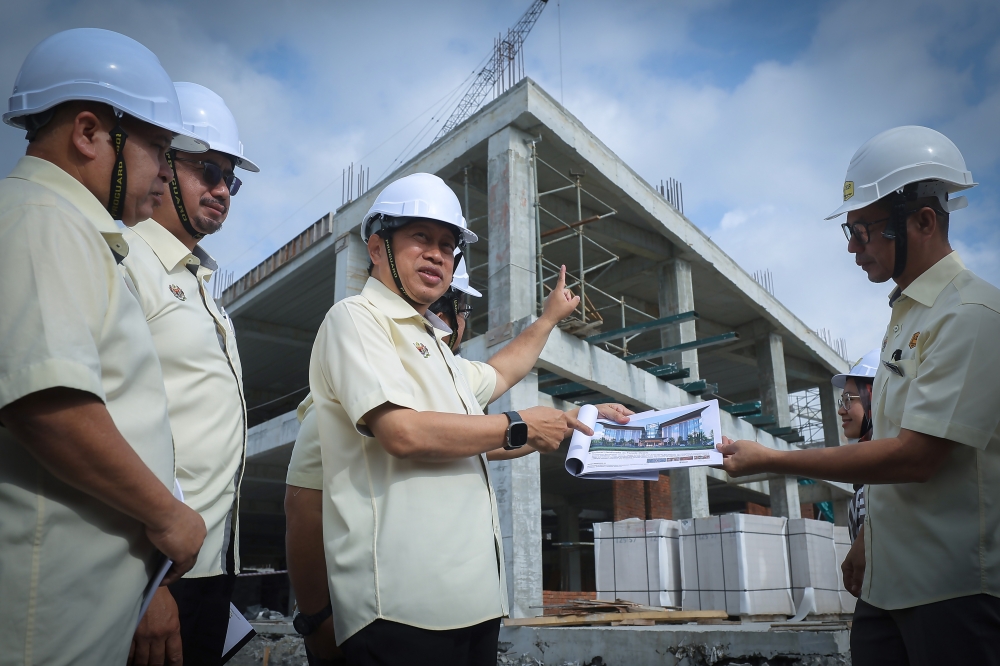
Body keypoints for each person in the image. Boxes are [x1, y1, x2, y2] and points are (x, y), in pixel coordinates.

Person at [308, 172, 627, 665]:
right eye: (421, 237)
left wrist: (564, 405)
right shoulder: (356, 319)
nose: (437, 255)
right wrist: (520, 424)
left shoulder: (437, 350)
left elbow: (500, 375)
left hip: (474, 605)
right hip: (402, 608)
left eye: (447, 245)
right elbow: (402, 432)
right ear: (376, 248)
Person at [719, 126, 1000, 665]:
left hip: (954, 595)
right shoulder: (908, 318)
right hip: (887, 587)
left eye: (863, 231)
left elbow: (915, 457)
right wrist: (869, 538)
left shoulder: (971, 316)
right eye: (849, 232)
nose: (853, 248)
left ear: (923, 221)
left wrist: (771, 459)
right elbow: (890, 444)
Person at [0, 29, 207, 664]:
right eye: (158, 149)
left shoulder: (70, 230)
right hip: (46, 623)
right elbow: (48, 407)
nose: (164, 171)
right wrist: (168, 517)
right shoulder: (41, 218)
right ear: (89, 134)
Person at [122, 82, 258, 666]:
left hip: (208, 569)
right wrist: (145, 585)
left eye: (231, 178)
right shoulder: (126, 260)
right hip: (154, 571)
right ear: (162, 161)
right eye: (209, 170)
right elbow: (108, 427)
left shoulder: (199, 284)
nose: (223, 189)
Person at [832, 349, 879, 544]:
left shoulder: (896, 472)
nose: (841, 410)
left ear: (876, 397)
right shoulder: (871, 473)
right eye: (842, 401)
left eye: (849, 400)